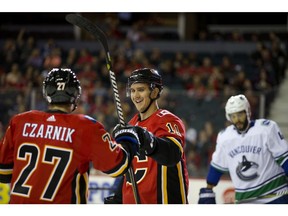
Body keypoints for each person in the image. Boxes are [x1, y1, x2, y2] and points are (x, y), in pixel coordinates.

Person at [0, 68, 140, 204]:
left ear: (47, 92)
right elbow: (118, 166)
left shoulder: (19, 121)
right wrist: (128, 142)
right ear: (75, 94)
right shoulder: (86, 127)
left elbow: (3, 173)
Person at [105, 68, 189, 204]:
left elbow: (172, 154)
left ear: (155, 92)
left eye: (141, 90)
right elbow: (129, 167)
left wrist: (146, 139)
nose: (135, 95)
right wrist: (118, 197)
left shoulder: (168, 120)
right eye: (132, 91)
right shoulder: (131, 124)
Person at [198, 94, 288, 204]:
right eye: (233, 116)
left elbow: (285, 159)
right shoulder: (225, 137)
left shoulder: (267, 129)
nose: (237, 120)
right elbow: (217, 167)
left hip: (275, 195)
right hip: (245, 201)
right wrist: (209, 188)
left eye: (240, 114)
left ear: (247, 112)